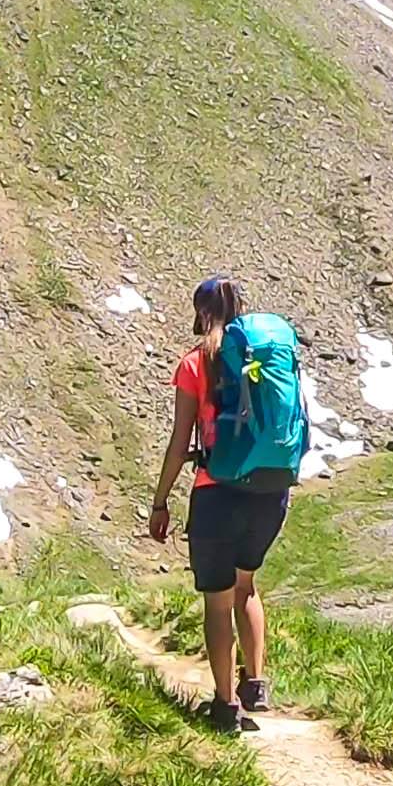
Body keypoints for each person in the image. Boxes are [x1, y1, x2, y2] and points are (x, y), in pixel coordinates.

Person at [147, 275, 291, 731]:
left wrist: (160, 501)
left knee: (217, 600)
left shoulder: (194, 364)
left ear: (200, 311)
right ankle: (258, 683)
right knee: (246, 587)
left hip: (216, 493)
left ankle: (226, 706)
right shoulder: (268, 357)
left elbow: (178, 441)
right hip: (270, 491)